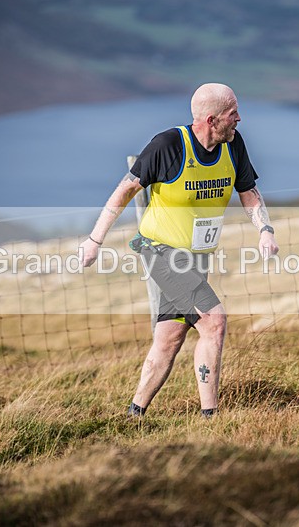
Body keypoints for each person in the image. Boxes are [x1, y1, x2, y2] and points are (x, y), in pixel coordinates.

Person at [79, 83, 278, 418]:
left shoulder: (233, 145)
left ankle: (134, 412)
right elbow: (125, 190)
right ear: (212, 119)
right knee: (214, 322)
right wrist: (94, 240)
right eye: (233, 114)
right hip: (161, 253)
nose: (240, 119)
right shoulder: (168, 145)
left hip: (197, 258)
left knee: (170, 337)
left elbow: (248, 191)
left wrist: (265, 230)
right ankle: (211, 417)